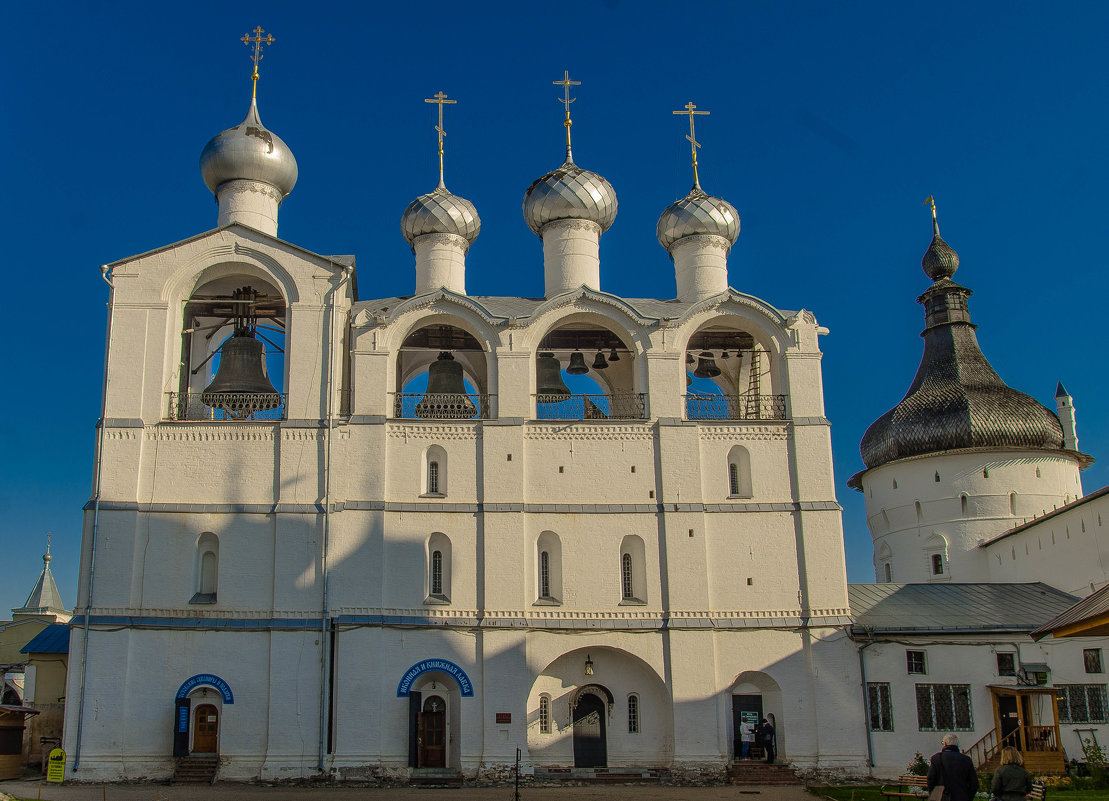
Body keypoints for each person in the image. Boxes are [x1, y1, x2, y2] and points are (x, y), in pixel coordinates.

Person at [928, 733, 979, 801]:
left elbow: (931, 779)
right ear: (957, 745)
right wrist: (968, 797)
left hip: (941, 796)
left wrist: (934, 796)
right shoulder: (966, 760)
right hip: (961, 796)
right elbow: (974, 783)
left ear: (945, 744)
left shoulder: (936, 758)